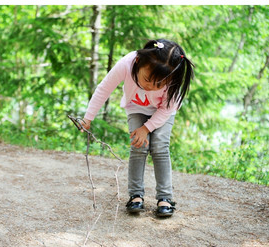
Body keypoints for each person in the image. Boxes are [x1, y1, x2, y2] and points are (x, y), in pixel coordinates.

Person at [79, 39, 194, 217]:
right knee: (139, 146)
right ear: (139, 62)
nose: (150, 87)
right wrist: (88, 117)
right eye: (147, 80)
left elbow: (167, 109)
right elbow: (104, 89)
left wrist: (147, 128)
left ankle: (165, 198)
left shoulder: (172, 76)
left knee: (160, 147)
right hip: (136, 108)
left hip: (163, 112)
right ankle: (135, 195)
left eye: (158, 85)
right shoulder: (126, 64)